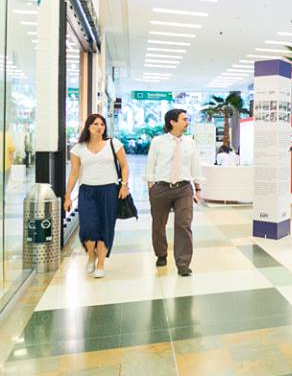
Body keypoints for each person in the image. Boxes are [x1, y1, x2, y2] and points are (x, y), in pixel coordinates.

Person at [64, 114, 130, 278]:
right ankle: (91, 256)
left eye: (102, 124)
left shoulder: (114, 144)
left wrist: (124, 185)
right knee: (87, 228)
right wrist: (67, 196)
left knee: (105, 227)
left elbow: (124, 166)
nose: (99, 127)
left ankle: (100, 263)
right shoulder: (78, 148)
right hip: (87, 191)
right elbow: (73, 174)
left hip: (109, 190)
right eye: (95, 124)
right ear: (88, 127)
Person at [146, 109, 203, 277]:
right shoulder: (158, 141)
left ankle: (183, 263)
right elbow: (151, 163)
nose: (187, 122)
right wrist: (151, 185)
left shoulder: (190, 142)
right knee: (158, 224)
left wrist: (197, 187)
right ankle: (161, 254)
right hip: (161, 188)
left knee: (183, 225)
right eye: (184, 119)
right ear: (172, 122)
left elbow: (195, 165)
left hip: (184, 188)